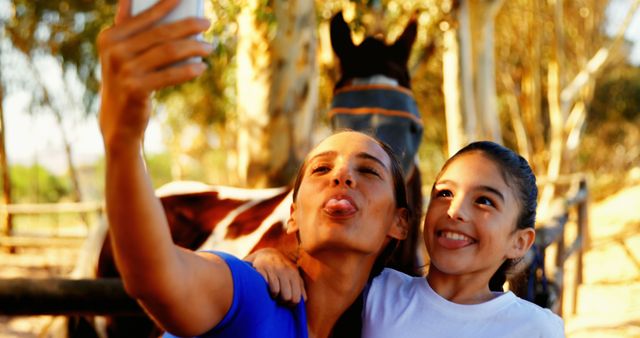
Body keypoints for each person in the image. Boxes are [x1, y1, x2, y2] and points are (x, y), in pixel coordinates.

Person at [99, 3, 411, 337]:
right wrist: (123, 141)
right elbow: (157, 275)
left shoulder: (386, 318)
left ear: (400, 222)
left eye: (369, 171)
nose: (342, 176)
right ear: (292, 215)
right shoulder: (251, 293)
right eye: (321, 169)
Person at [255, 141, 565, 337]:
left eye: (484, 201)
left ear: (520, 242)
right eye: (444, 193)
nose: (455, 211)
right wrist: (265, 258)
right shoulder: (377, 293)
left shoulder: (535, 328)